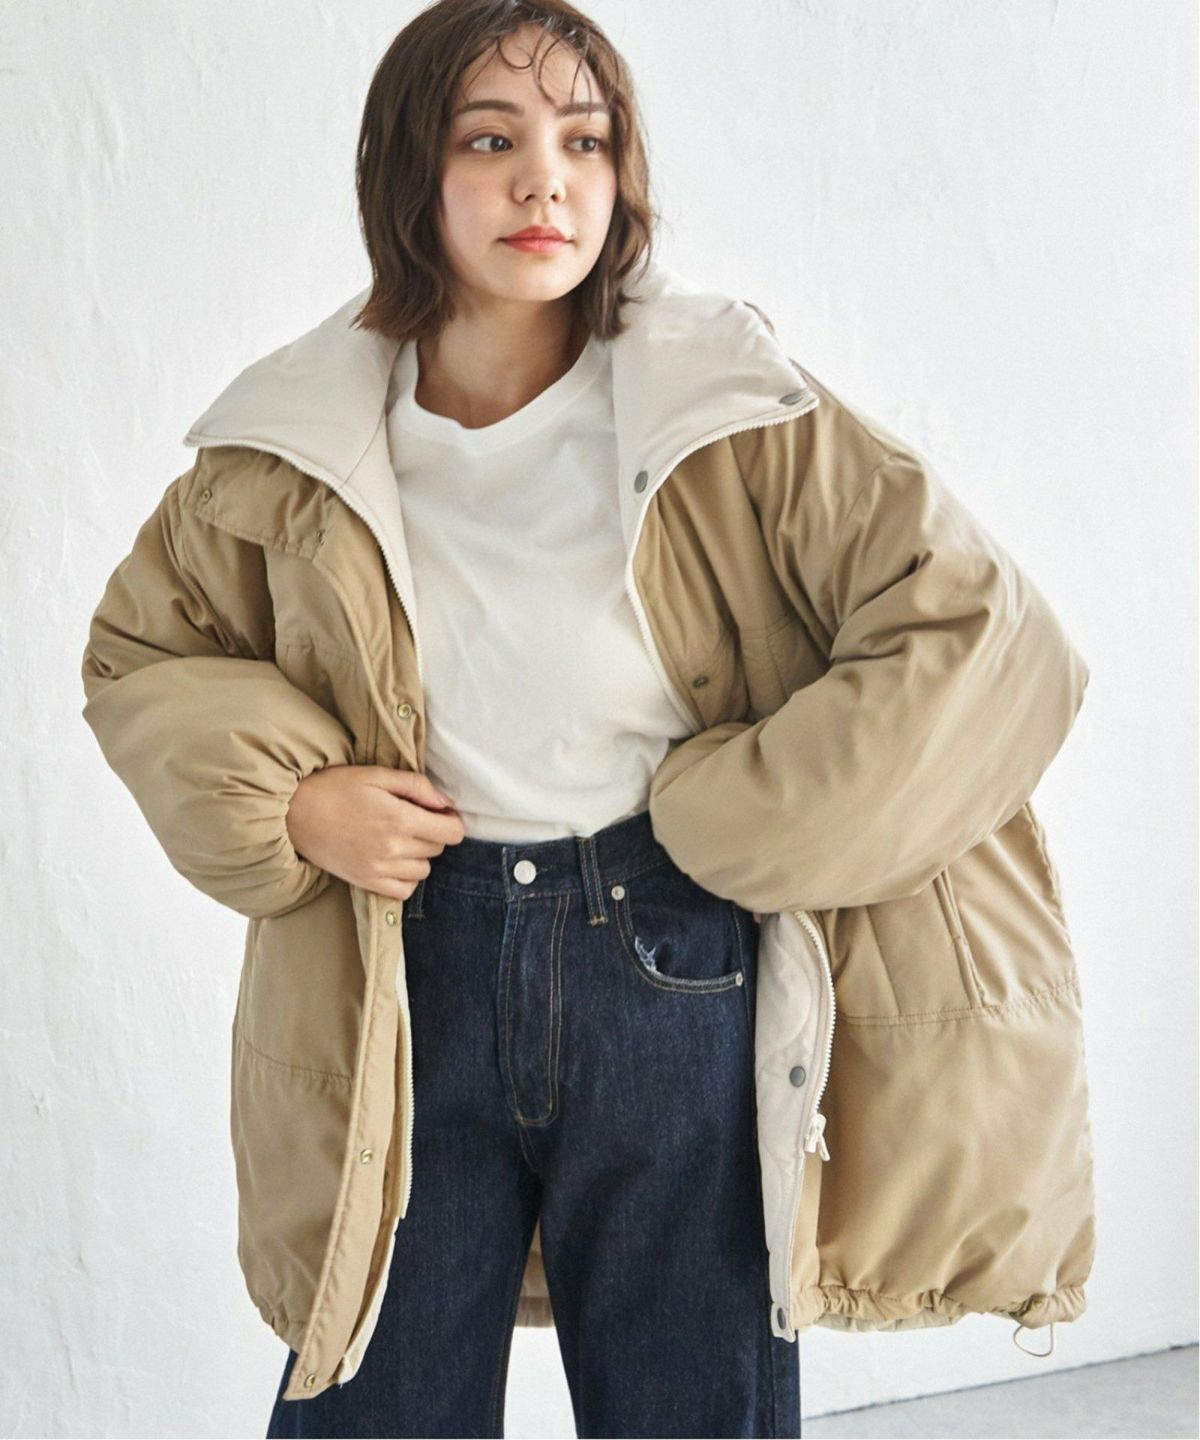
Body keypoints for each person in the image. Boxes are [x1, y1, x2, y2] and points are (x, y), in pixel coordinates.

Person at [79, 2, 1096, 1437]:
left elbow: (987, 636)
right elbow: (141, 653)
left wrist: (743, 821)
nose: (543, 182)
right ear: (409, 174)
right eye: (489, 141)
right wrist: (295, 805)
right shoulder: (298, 442)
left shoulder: (725, 407)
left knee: (695, 1401)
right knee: (377, 1397)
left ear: (622, 178)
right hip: (406, 963)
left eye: (585, 141)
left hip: (667, 955)